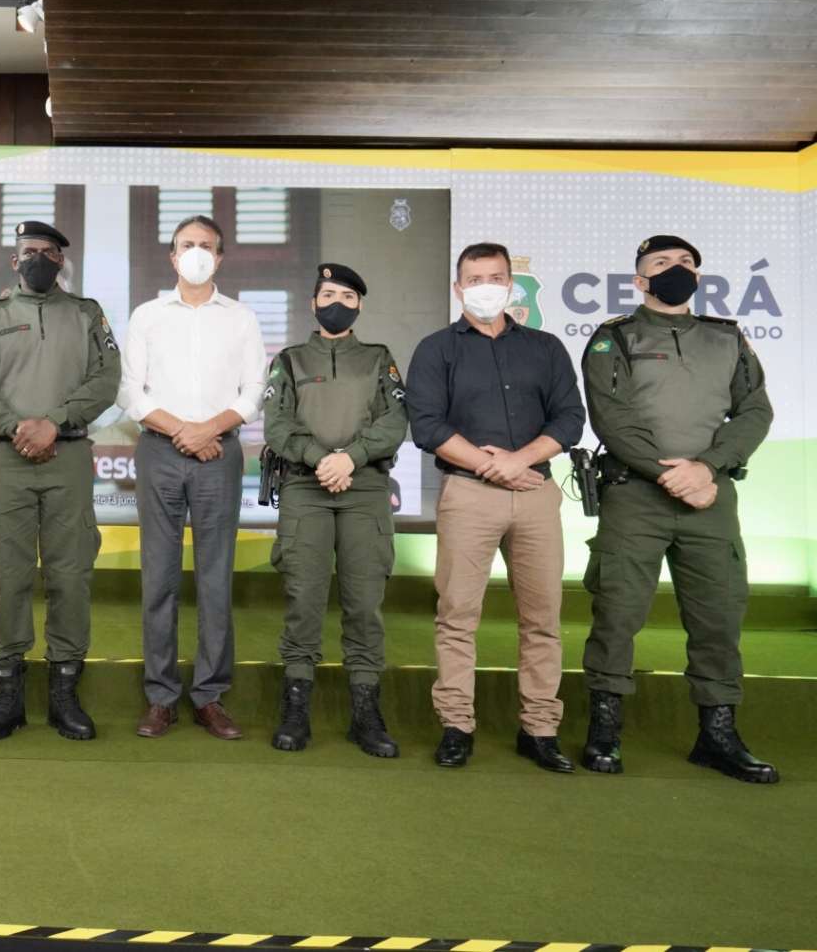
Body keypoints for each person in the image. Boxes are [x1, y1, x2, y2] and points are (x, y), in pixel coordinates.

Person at [579, 235, 777, 783]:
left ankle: (717, 736)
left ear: (699, 276)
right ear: (639, 280)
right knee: (617, 614)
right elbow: (611, 419)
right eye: (661, 263)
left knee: (719, 617)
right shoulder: (615, 337)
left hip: (710, 499)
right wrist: (673, 475)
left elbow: (756, 411)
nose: (676, 269)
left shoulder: (726, 337)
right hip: (635, 497)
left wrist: (707, 469)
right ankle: (604, 730)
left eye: (686, 262)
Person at [406, 242, 585, 772]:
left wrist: (519, 461)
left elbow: (569, 419)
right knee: (457, 616)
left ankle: (540, 728)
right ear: (458, 288)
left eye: (495, 277)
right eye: (474, 279)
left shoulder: (546, 348)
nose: (485, 287)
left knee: (543, 619)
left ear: (511, 284)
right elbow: (427, 425)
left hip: (535, 493)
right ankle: (457, 725)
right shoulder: (436, 349)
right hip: (467, 494)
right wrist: (492, 466)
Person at [0, 220, 121, 741]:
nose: (39, 259)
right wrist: (16, 427)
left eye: (49, 252)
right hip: (8, 458)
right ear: (14, 261)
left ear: (61, 261)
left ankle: (64, 695)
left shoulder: (87, 314)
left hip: (67, 456)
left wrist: (55, 422)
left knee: (70, 575)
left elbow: (106, 379)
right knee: (9, 574)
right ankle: (8, 697)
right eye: (30, 251)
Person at [116, 214, 264, 741]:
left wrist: (208, 430)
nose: (196, 252)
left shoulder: (241, 318)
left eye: (206, 245)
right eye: (187, 245)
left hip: (219, 453)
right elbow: (130, 392)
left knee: (215, 577)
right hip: (160, 450)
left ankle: (209, 696)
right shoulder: (148, 316)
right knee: (158, 578)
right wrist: (183, 430)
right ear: (173, 256)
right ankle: (161, 696)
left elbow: (254, 391)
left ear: (219, 257)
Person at [263, 263, 408, 755]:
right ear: (313, 303)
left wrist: (351, 458)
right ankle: (296, 708)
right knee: (303, 599)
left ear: (360, 305)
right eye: (328, 294)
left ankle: (365, 714)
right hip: (306, 488)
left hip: (364, 488)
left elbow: (395, 420)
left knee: (364, 604)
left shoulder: (378, 358)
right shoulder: (289, 360)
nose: (337, 303)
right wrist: (321, 459)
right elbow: (277, 425)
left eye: (347, 296)